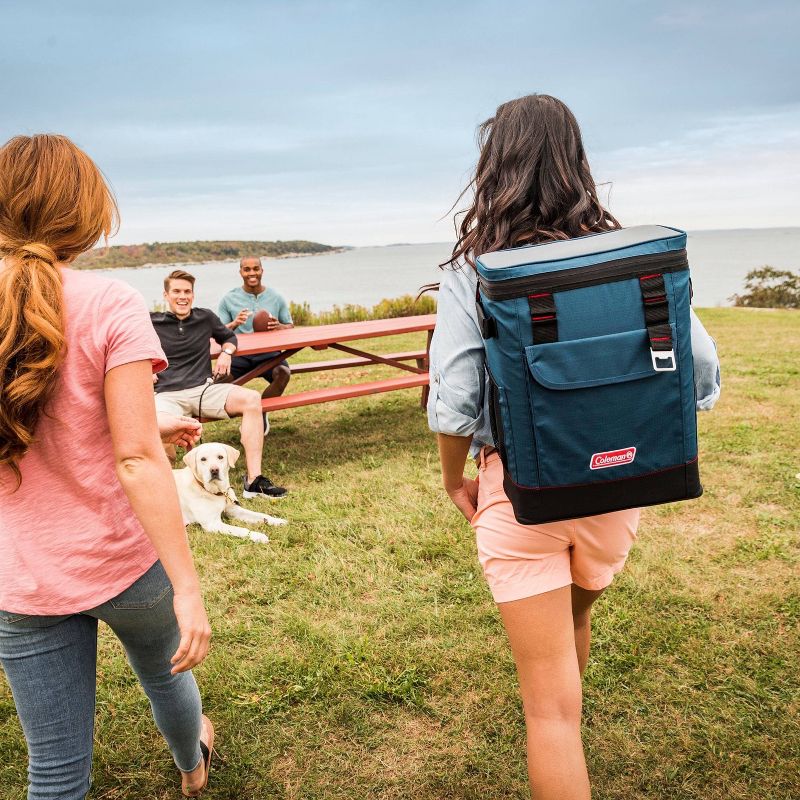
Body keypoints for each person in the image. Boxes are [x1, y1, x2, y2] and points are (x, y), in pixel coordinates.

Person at [427, 95, 721, 800]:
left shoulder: (477, 269)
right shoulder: (635, 260)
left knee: (547, 715)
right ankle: (571, 699)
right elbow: (701, 367)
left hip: (520, 491)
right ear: (577, 162)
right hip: (620, 487)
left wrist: (453, 480)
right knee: (578, 612)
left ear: (493, 167)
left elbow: (456, 397)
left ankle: (565, 719)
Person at [0, 134, 214, 799]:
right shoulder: (110, 300)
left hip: (22, 576)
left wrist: (155, 419)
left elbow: (64, 419)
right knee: (166, 674)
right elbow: (132, 456)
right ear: (87, 210)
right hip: (123, 561)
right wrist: (187, 583)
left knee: (56, 773)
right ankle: (192, 764)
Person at [151, 269, 287, 499]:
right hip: (166, 394)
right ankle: (164, 490)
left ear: (193, 295)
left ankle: (254, 481)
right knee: (157, 426)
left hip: (204, 390)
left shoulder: (205, 317)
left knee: (252, 398)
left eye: (187, 292)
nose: (182, 296)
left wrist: (226, 352)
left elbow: (229, 337)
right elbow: (130, 348)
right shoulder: (151, 321)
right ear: (166, 295)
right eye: (176, 291)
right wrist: (146, 368)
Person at [217, 256, 293, 433]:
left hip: (270, 355)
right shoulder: (229, 299)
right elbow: (219, 330)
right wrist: (235, 324)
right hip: (239, 354)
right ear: (241, 272)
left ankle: (260, 412)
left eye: (255, 268)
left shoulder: (276, 297)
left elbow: (290, 325)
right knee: (219, 383)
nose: (252, 273)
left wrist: (280, 327)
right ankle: (248, 409)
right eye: (247, 269)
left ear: (262, 270)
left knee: (283, 373)